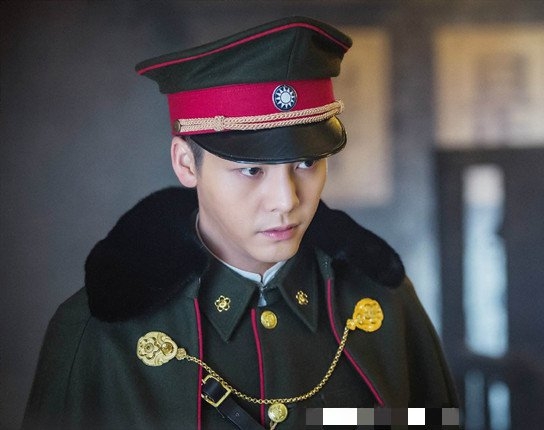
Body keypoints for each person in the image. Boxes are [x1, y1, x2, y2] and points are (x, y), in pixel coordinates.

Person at [22, 16, 458, 430]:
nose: (286, 200)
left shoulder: (382, 302)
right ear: (186, 164)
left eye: (306, 163)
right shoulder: (100, 332)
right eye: (251, 170)